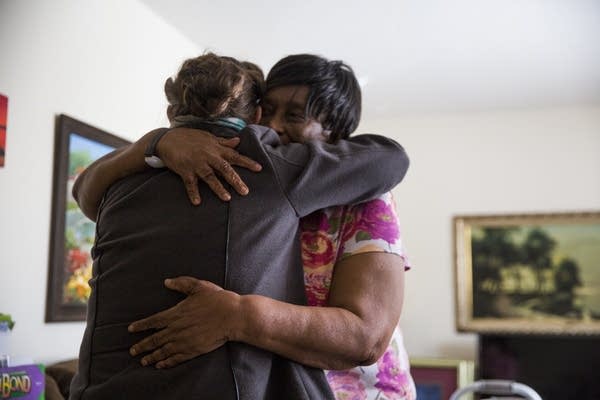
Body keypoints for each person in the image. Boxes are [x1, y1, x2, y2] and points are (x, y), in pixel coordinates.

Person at [74, 54, 416, 400]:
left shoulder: (368, 202)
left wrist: (238, 316)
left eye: (295, 116)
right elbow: (88, 193)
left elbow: (365, 339)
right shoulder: (231, 168)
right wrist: (156, 143)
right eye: (267, 111)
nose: (273, 126)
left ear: (337, 134)